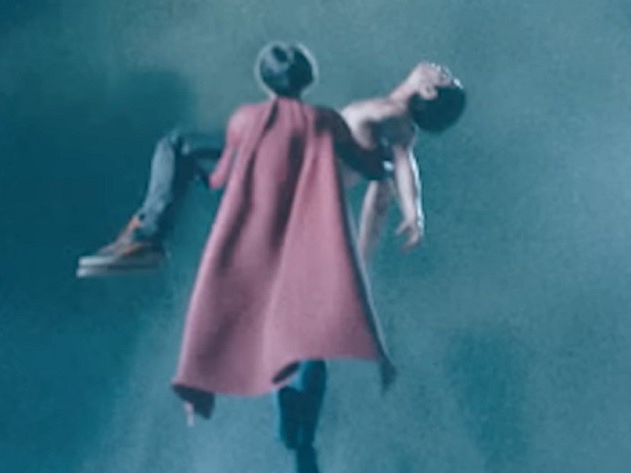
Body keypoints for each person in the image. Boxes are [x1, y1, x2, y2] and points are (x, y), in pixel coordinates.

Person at [170, 42, 391, 473]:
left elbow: (221, 176)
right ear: (307, 77)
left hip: (262, 244)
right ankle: (303, 439)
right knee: (313, 340)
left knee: (271, 331)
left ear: (265, 78)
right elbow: (369, 166)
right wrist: (390, 152)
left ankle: (284, 406)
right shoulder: (324, 121)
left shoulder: (245, 119)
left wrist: (196, 172)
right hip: (312, 240)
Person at [75, 63, 465, 277]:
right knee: (188, 162)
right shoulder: (391, 129)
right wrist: (362, 261)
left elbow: (402, 166)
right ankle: (146, 238)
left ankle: (147, 239)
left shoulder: (392, 118)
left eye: (443, 76)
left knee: (177, 146)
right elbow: (380, 200)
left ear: (429, 92)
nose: (439, 68)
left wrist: (414, 211)